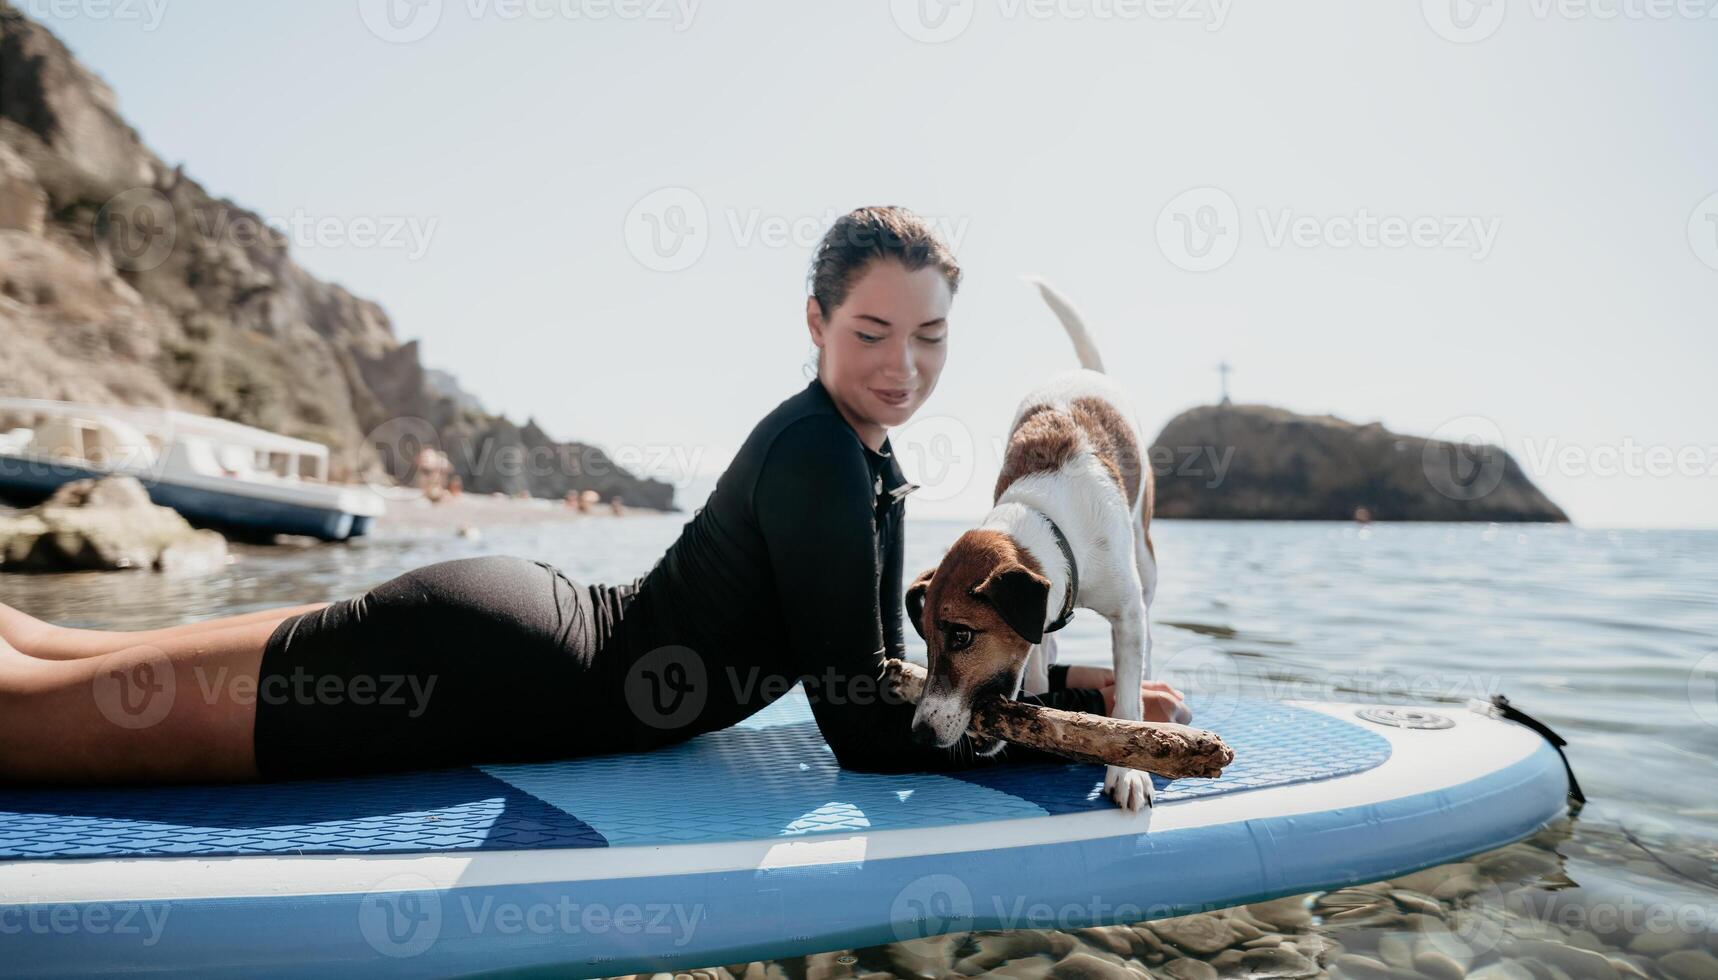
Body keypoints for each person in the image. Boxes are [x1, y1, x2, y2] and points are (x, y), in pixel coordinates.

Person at [0, 206, 1184, 785]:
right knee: (32, 728)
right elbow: (866, 733)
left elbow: (880, 659)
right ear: (816, 322)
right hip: (483, 666)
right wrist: (1076, 739)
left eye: (929, 338)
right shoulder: (820, 455)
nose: (902, 365)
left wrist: (1064, 672)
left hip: (501, 628)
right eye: (870, 330)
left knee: (54, 649)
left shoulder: (856, 455)